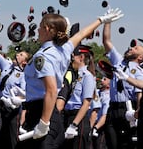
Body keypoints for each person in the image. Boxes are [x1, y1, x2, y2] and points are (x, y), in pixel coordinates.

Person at [20, 8, 123, 149]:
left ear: (48, 29)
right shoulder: (62, 50)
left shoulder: (43, 56)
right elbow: (81, 34)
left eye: (40, 27)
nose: (37, 30)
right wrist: (100, 20)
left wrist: (43, 123)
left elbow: (51, 91)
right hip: (49, 112)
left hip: (42, 113)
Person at [102, 22, 143, 149]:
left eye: (136, 49)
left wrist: (137, 112)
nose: (131, 48)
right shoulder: (119, 61)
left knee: (125, 144)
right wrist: (107, 22)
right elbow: (107, 41)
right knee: (111, 143)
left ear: (140, 58)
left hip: (127, 109)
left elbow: (139, 94)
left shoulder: (138, 72)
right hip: (113, 108)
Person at [0, 28, 30, 149]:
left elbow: (24, 94)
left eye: (21, 55)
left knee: (12, 138)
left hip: (12, 109)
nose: (17, 54)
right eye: (18, 53)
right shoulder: (7, 65)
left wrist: (14, 100)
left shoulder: (23, 75)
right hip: (0, 105)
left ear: (24, 62)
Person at [61, 45, 96, 149]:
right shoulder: (71, 74)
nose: (71, 60)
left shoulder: (87, 76)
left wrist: (74, 125)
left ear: (81, 57)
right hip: (66, 116)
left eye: (73, 57)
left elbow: (86, 104)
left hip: (78, 119)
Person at [90, 76, 110, 149]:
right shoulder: (97, 92)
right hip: (91, 125)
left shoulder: (108, 96)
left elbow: (105, 115)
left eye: (105, 79)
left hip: (99, 127)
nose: (101, 80)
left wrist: (95, 128)